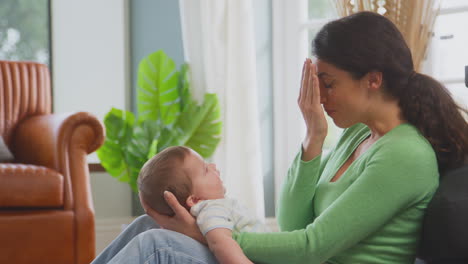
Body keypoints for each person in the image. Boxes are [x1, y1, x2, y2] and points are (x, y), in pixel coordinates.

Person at [92, 11, 468, 264]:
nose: (318, 96)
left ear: (373, 79)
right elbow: (293, 224)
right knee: (146, 226)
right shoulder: (356, 135)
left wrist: (207, 232)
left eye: (329, 83)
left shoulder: (405, 155)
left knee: (156, 245)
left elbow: (312, 246)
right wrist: (313, 138)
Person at [137, 145, 268, 264]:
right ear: (194, 200)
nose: (214, 166)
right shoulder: (211, 209)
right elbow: (221, 243)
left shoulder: (213, 207)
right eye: (205, 170)